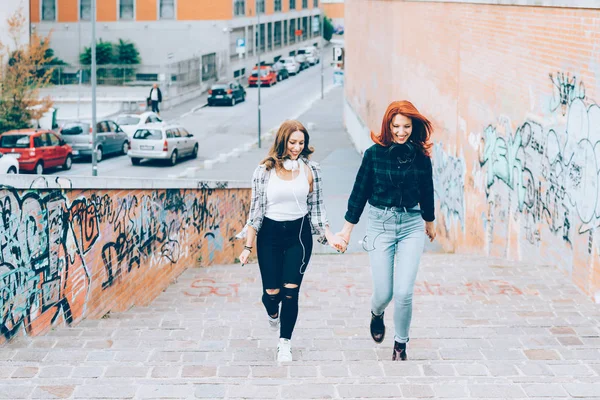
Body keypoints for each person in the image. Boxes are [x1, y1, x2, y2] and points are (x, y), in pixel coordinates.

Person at [336, 101, 436, 361]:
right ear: (388, 127)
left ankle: (400, 344)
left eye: (406, 127)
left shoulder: (421, 157)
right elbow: (359, 192)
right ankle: (376, 313)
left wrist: (430, 221)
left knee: (404, 292)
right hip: (380, 226)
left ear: (413, 128)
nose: (401, 132)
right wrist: (347, 231)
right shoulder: (373, 155)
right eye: (396, 127)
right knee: (384, 293)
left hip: (411, 225)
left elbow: (427, 191)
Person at [238, 120, 345, 362]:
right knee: (272, 292)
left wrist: (331, 237)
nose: (296, 148)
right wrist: (247, 246)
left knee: (291, 291)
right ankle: (272, 311)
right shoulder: (263, 172)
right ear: (282, 142)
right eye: (292, 142)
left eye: (301, 143)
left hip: (299, 236)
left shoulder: (311, 171)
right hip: (269, 236)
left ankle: (284, 343)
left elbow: (317, 210)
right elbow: (255, 212)